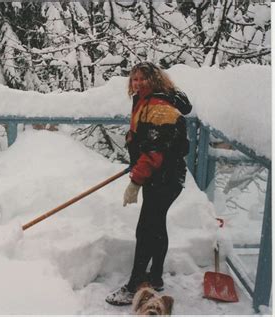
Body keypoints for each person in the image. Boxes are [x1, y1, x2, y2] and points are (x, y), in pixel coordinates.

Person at [105, 62, 192, 306]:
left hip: (163, 176)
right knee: (155, 225)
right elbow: (145, 137)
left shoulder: (159, 105)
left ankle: (134, 285)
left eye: (143, 79)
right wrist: (135, 157)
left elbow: (156, 150)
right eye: (135, 79)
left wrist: (135, 181)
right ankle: (155, 278)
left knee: (145, 229)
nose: (138, 83)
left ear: (155, 80)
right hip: (162, 175)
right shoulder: (147, 100)